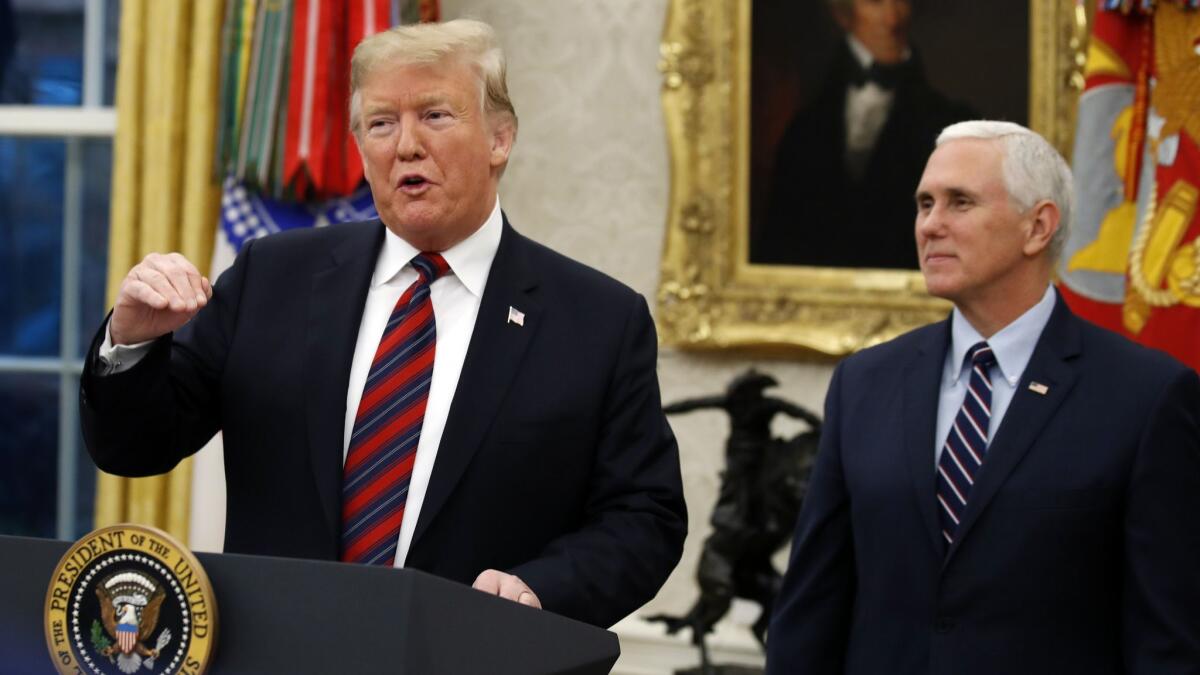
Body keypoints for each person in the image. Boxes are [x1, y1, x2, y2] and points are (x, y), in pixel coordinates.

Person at [79, 19, 686, 629]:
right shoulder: (273, 277)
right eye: (380, 123)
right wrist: (131, 342)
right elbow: (134, 445)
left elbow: (644, 517)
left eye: (436, 116)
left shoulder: (596, 321)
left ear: (500, 138)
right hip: (284, 654)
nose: (406, 146)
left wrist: (539, 589)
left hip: (473, 655)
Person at [765, 121, 1200, 673]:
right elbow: (811, 606)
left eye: (959, 202)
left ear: (1038, 227)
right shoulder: (864, 383)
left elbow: (1168, 638)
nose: (930, 225)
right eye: (925, 204)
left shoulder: (1148, 395)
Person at [753, 0, 973, 269]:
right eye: (875, 2)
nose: (893, 18)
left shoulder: (950, 125)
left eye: (901, 1)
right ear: (842, 13)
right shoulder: (803, 130)